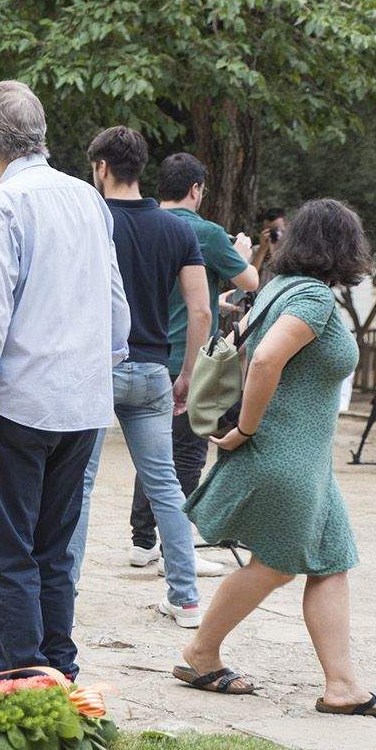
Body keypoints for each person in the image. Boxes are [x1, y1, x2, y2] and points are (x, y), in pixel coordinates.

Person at [175, 199, 376, 718]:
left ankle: (342, 685)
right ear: (347, 247)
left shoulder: (276, 286)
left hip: (308, 459)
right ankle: (200, 653)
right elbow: (267, 358)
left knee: (332, 563)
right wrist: (246, 427)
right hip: (287, 452)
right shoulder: (314, 298)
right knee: (274, 567)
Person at [0, 80, 129, 680]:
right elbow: (114, 299)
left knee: (7, 548)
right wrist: (102, 364)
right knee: (55, 546)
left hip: (18, 402)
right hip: (81, 400)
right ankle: (60, 667)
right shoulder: (87, 196)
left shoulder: (3, 203)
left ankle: (26, 674)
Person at [66, 127, 210, 626]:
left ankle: (66, 591)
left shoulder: (90, 221)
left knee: (77, 486)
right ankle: (186, 597)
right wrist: (187, 373)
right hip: (153, 370)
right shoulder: (178, 230)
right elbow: (202, 312)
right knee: (165, 484)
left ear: (101, 167)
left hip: (96, 370)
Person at [129, 154, 260, 570]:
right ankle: (178, 547)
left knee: (152, 450)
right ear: (196, 189)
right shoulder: (205, 232)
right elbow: (250, 281)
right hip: (187, 354)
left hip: (145, 350)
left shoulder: (144, 223)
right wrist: (241, 251)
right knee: (187, 453)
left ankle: (143, 540)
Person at [252, 207, 286, 275]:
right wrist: (262, 250)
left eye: (277, 229)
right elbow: (249, 277)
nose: (273, 234)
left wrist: (274, 250)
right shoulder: (256, 250)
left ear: (286, 225)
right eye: (269, 230)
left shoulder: (293, 251)